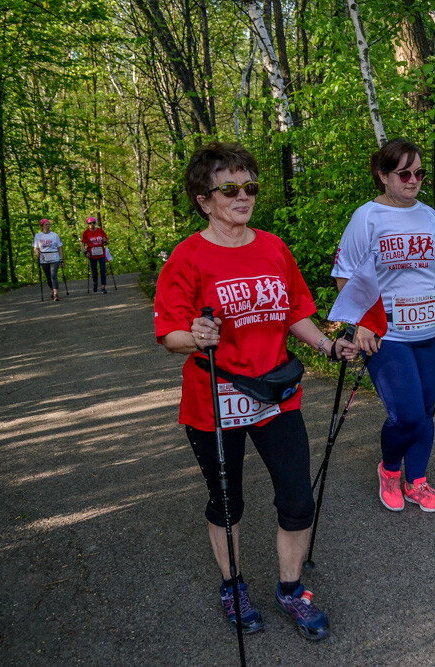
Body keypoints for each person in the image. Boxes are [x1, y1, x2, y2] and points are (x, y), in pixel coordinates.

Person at [154, 141, 356, 641]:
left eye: (250, 186)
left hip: (274, 393)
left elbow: (296, 315)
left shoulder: (273, 247)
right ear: (204, 199)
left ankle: (291, 590)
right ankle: (233, 586)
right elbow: (169, 334)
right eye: (229, 188)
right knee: (227, 503)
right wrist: (194, 338)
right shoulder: (187, 257)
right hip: (215, 398)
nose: (243, 196)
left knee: (296, 499)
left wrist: (328, 347)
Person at [331, 138, 435, 514]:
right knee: (408, 414)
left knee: (426, 409)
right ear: (383, 176)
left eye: (419, 172)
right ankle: (388, 470)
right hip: (388, 336)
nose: (414, 180)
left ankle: (416, 480)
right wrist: (363, 324)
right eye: (404, 173)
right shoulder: (366, 218)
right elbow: (345, 277)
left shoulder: (429, 216)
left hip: (433, 332)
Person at [33, 219, 64, 301]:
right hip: (44, 257)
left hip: (54, 256)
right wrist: (37, 253)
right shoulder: (38, 236)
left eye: (49, 224)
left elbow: (59, 247)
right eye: (46, 224)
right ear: (42, 226)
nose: (48, 226)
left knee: (53, 275)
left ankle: (55, 293)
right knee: (48, 276)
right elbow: (35, 248)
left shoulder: (54, 235)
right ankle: (52, 291)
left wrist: (61, 259)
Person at [81, 217, 109, 294]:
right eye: (90, 223)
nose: (92, 225)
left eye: (93, 223)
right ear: (88, 224)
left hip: (101, 253)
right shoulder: (86, 233)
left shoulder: (101, 231)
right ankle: (95, 282)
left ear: (95, 223)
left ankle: (103, 286)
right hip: (91, 254)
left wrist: (105, 241)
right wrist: (85, 252)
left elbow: (106, 242)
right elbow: (83, 244)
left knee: (103, 270)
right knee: (94, 271)